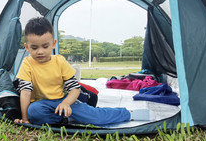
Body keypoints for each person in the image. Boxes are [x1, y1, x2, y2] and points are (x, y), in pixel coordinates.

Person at [14, 17, 150, 126]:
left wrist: (66, 103)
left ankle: (128, 114)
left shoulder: (59, 61)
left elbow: (75, 89)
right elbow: (25, 92)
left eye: (45, 46)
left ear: (53, 44)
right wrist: (25, 119)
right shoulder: (27, 63)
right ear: (27, 47)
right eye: (34, 47)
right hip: (42, 105)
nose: (40, 52)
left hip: (64, 100)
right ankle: (67, 120)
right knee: (34, 112)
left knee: (96, 117)